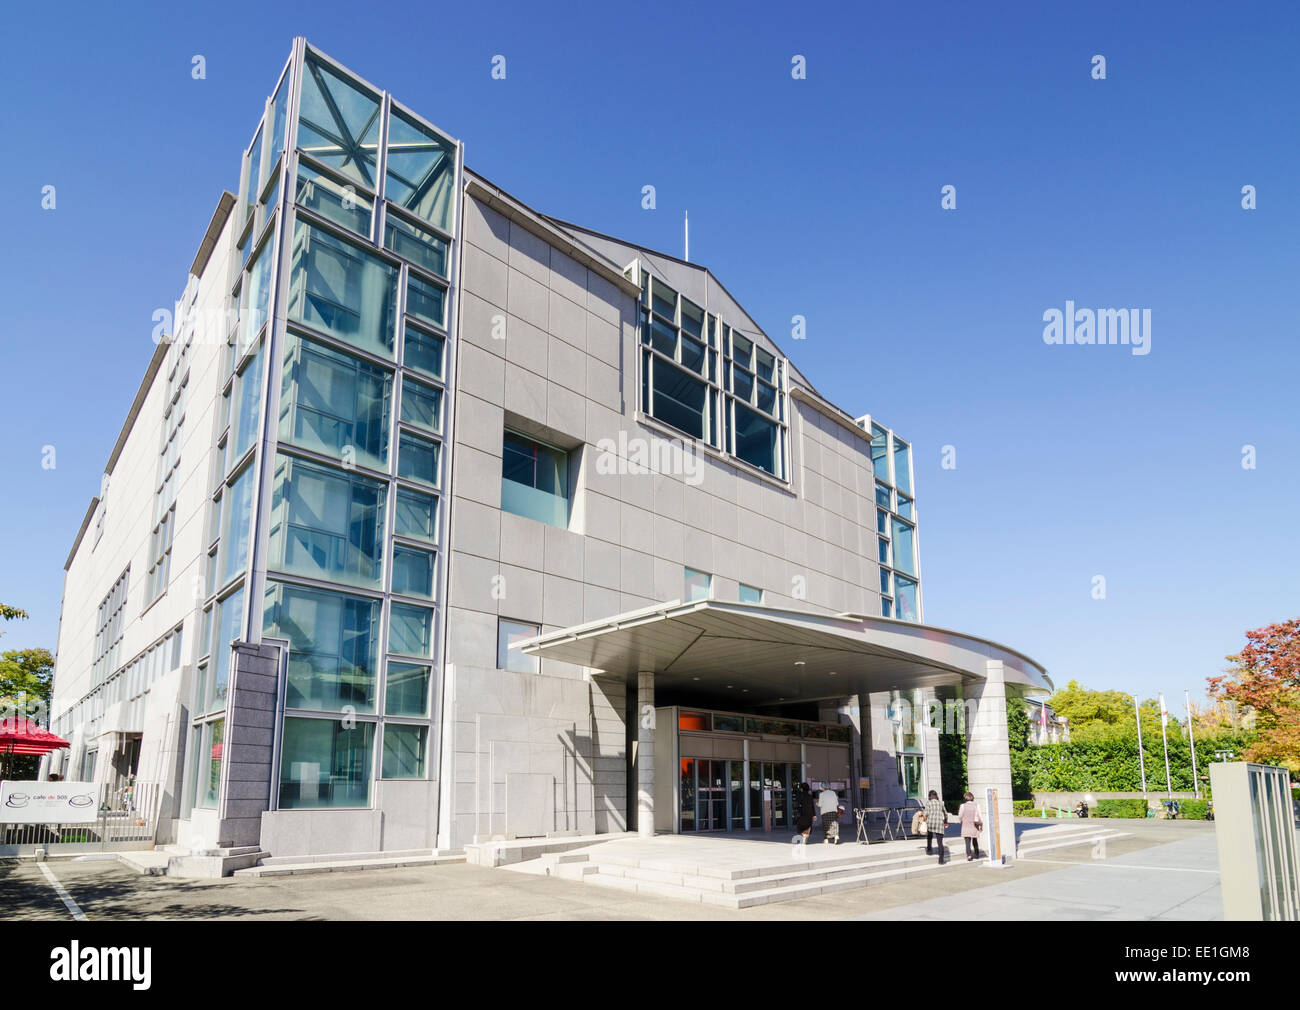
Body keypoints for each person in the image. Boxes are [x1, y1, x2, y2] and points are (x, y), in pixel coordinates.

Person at [923, 789, 948, 864]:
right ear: (936, 796)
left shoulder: (928, 803)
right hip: (939, 823)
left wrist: (923, 820)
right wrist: (946, 822)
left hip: (930, 822)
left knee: (929, 836)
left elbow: (925, 814)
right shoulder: (941, 803)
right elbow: (945, 814)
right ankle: (941, 860)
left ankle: (929, 849)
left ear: (929, 796)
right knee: (940, 842)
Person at [956, 791, 983, 861]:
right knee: (975, 840)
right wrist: (981, 825)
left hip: (966, 825)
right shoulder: (976, 805)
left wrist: (961, 820)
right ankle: (977, 854)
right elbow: (980, 816)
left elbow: (960, 816)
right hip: (975, 825)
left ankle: (969, 855)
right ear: (972, 798)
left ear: (965, 798)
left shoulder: (962, 806)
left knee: (967, 841)